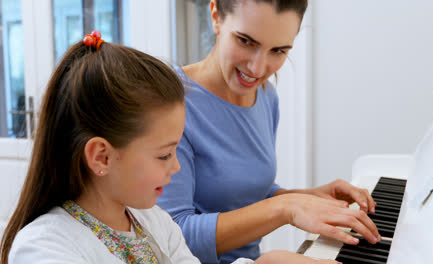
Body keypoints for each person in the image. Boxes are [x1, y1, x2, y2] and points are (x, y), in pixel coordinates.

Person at [0, 31, 338, 264]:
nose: (176, 167)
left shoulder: (153, 220)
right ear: (101, 156)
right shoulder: (44, 246)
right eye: (164, 154)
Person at [157, 0, 382, 263]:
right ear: (216, 15)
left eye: (278, 50)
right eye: (245, 41)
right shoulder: (170, 103)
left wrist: (306, 197)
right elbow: (170, 237)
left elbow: (244, 194)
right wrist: (284, 208)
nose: (257, 69)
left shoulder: (265, 97)